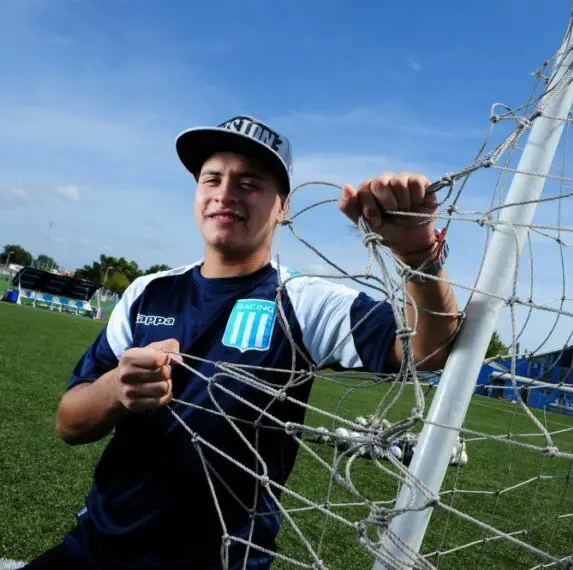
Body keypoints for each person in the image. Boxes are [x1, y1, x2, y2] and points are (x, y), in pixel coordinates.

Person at [24, 115, 459, 570]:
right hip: (95, 548)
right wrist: (116, 389)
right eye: (212, 177)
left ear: (283, 206)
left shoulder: (304, 301)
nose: (225, 193)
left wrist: (417, 254)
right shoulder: (147, 292)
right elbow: (69, 424)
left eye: (249, 182)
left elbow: (430, 350)